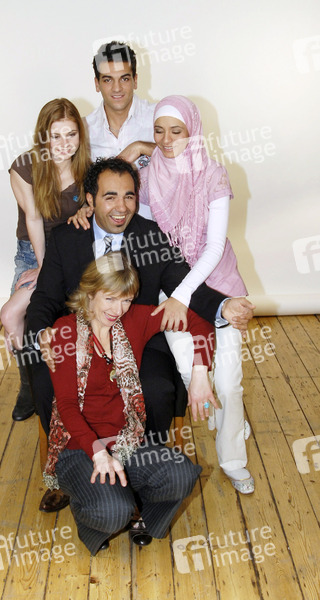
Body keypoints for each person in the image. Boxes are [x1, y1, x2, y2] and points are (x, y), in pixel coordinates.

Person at [26, 157, 254, 511]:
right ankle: (69, 470)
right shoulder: (66, 237)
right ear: (90, 199)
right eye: (110, 197)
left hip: (137, 337)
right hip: (78, 339)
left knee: (159, 388)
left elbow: (183, 285)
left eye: (129, 196)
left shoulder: (150, 235)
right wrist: (41, 333)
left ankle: (143, 473)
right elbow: (44, 297)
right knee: (42, 381)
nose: (121, 207)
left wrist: (223, 307)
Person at [43, 251, 215, 554]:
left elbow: (201, 325)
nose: (118, 310)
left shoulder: (136, 319)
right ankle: (95, 514)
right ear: (90, 293)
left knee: (182, 474)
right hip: (79, 448)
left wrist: (200, 374)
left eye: (126, 300)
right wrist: (98, 453)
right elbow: (67, 405)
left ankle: (142, 516)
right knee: (113, 512)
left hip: (126, 440)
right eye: (109, 299)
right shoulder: (64, 332)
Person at [137, 95, 254, 493]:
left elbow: (214, 247)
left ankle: (233, 459)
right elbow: (152, 243)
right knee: (192, 372)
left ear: (193, 131)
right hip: (171, 289)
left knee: (229, 383)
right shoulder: (147, 177)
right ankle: (230, 417)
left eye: (177, 131)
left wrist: (183, 294)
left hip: (218, 287)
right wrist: (173, 293)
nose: (166, 140)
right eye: (158, 131)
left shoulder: (213, 174)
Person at [0, 98, 90, 421]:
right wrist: (43, 268)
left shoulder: (87, 169)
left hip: (72, 252)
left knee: (65, 315)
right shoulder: (24, 168)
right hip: (34, 251)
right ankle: (29, 385)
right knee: (11, 315)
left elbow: (96, 209)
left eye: (71, 134)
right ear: (43, 137)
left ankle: (73, 384)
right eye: (56, 136)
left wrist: (87, 209)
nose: (64, 144)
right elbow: (35, 219)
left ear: (80, 135)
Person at [86, 41, 156, 170]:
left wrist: (141, 147)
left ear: (135, 81)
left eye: (124, 79)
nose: (117, 88)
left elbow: (188, 156)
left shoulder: (158, 117)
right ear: (97, 84)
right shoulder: (85, 130)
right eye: (108, 80)